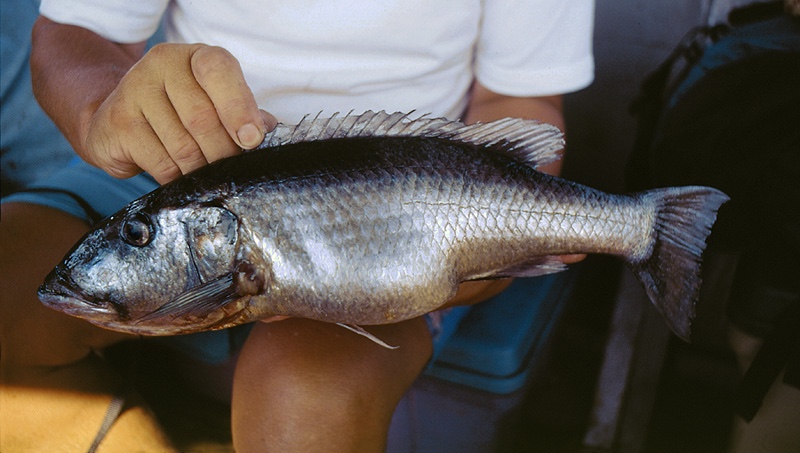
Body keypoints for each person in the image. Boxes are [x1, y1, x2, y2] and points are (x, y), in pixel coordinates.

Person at [0, 1, 594, 451]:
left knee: (308, 400)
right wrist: (99, 111)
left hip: (403, 210)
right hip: (173, 175)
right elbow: (76, 31)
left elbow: (520, 100)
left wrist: (504, 228)